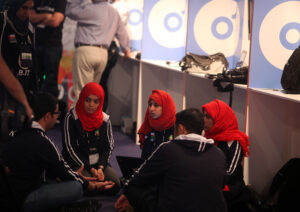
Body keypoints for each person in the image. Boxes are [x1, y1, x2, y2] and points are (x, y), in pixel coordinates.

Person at [1, 92, 115, 211]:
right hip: (23, 199)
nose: (57, 118)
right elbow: (64, 170)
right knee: (76, 187)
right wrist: (93, 186)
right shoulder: (43, 142)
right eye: (56, 114)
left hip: (10, 192)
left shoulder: (15, 133)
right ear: (47, 116)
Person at [115, 108, 228, 212]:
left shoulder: (169, 149)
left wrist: (128, 195)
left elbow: (136, 181)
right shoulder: (219, 154)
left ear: (181, 129)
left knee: (134, 188)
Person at [65, 0, 131, 101]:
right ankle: (91, 116)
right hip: (103, 54)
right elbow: (122, 32)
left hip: (86, 51)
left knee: (82, 94)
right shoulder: (114, 12)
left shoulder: (90, 9)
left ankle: (81, 117)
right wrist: (126, 49)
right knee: (92, 94)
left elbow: (70, 10)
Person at [62, 82, 121, 195]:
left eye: (95, 101)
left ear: (101, 102)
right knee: (84, 183)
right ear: (82, 98)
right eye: (87, 100)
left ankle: (96, 187)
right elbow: (70, 148)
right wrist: (91, 169)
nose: (91, 105)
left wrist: (100, 167)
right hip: (79, 163)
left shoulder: (105, 120)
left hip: (98, 164)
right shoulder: (71, 118)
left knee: (116, 184)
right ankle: (95, 187)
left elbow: (109, 146)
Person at [202, 99, 250, 212]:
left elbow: (230, 172)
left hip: (230, 187)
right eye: (203, 116)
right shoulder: (206, 135)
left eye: (208, 117)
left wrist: (206, 178)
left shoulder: (234, 141)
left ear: (219, 119)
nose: (204, 120)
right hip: (211, 184)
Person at [0, 0, 36, 140]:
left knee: (21, 133)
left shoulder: (31, 27)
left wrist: (34, 89)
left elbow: (34, 62)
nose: (27, 12)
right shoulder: (2, 22)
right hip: (4, 88)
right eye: (23, 8)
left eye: (30, 8)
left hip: (24, 85)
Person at [29, 0, 66, 98]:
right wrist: (46, 16)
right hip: (36, 43)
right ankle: (35, 105)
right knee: (34, 78)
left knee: (51, 81)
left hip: (53, 45)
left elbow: (55, 21)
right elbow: (30, 17)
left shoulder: (60, 1)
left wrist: (39, 17)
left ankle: (51, 109)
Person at [138, 89, 176, 159]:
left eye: (156, 105)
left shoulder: (176, 128)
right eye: (150, 105)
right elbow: (144, 158)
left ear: (165, 107)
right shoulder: (148, 124)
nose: (151, 109)